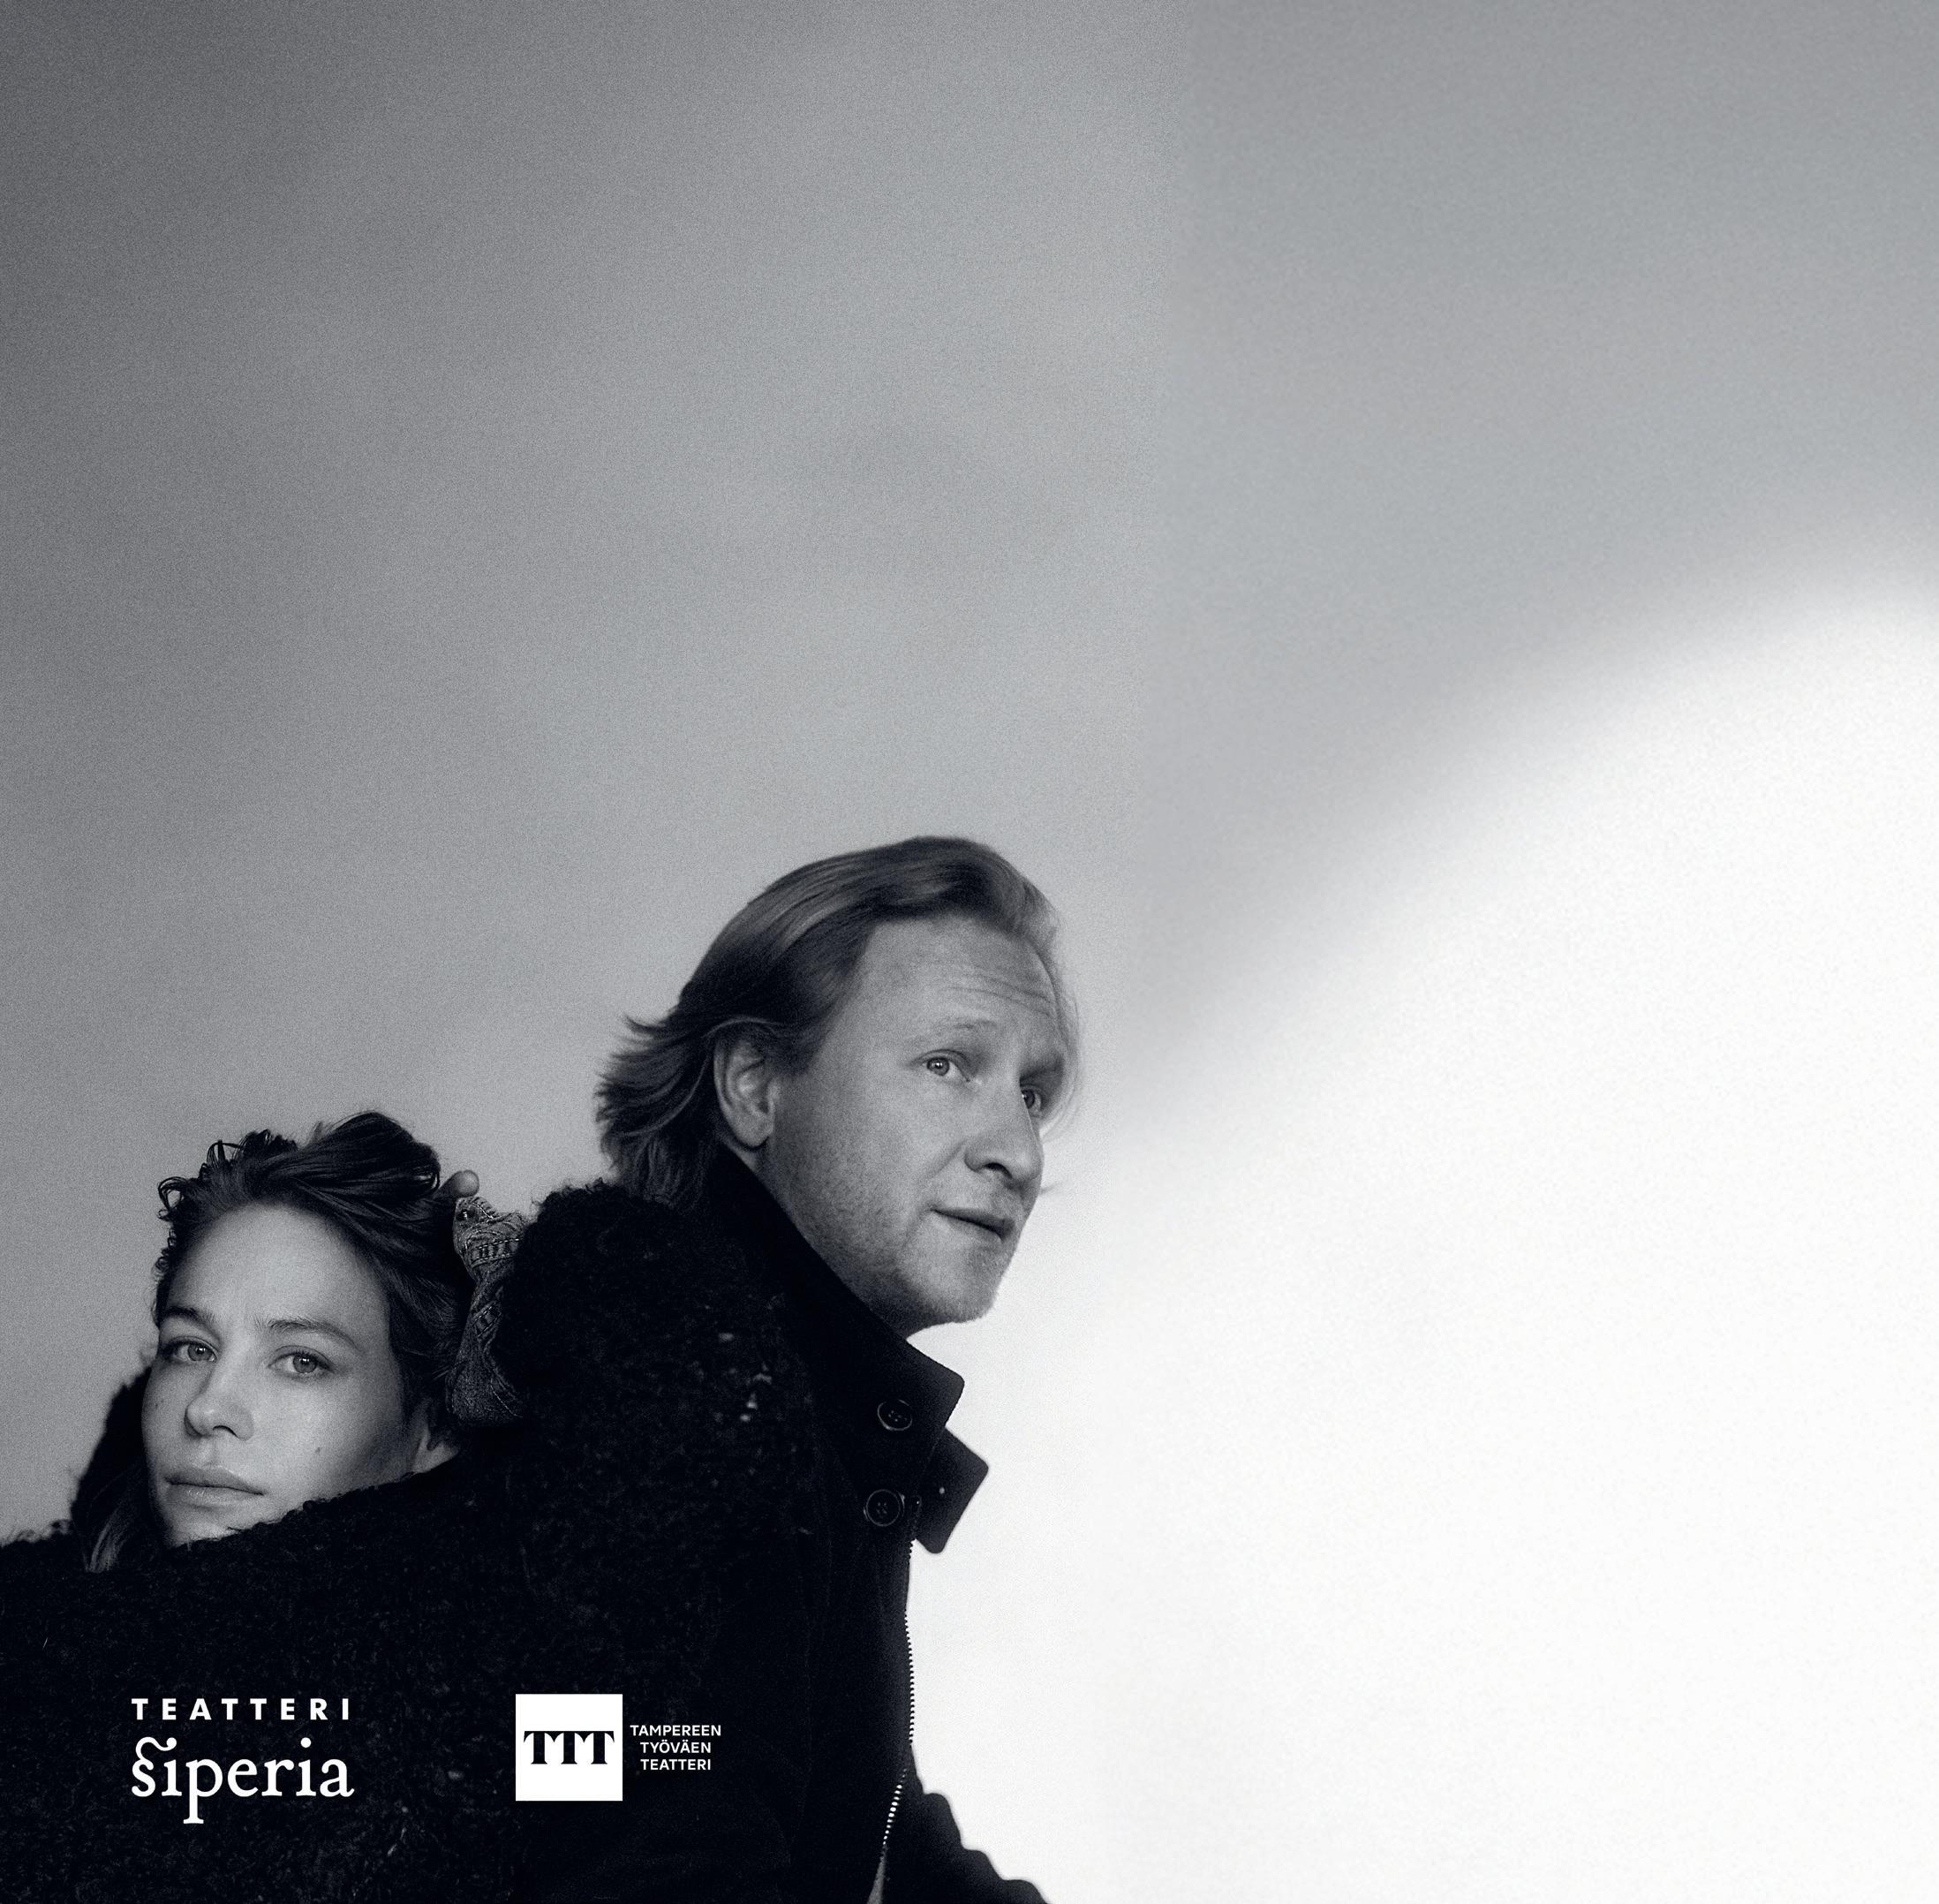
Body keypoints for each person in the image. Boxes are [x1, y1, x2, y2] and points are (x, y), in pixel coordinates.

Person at [508, 835, 1068, 1901]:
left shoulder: (791, 1396)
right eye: (948, 1065)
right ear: (756, 1086)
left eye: (1034, 1093)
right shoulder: (676, 1416)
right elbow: (637, 1861)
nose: (1020, 1150)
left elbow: (878, 1831)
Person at [76, 1113, 477, 1570]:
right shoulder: (33, 1601)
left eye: (302, 1362)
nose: (205, 1410)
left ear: (435, 1427)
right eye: (192, 1350)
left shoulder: (495, 1612)